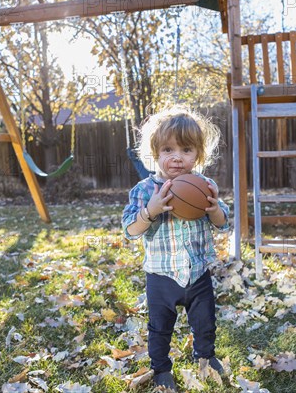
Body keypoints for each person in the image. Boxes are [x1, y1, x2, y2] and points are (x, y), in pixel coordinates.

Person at [122, 106, 230, 391]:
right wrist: (150, 211)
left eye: (186, 150)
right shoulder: (145, 190)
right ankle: (161, 370)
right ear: (155, 153)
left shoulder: (204, 186)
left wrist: (215, 208)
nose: (177, 157)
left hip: (197, 273)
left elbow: (222, 223)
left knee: (206, 322)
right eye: (168, 149)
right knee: (159, 328)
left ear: (199, 155)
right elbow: (130, 230)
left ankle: (206, 356)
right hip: (161, 277)